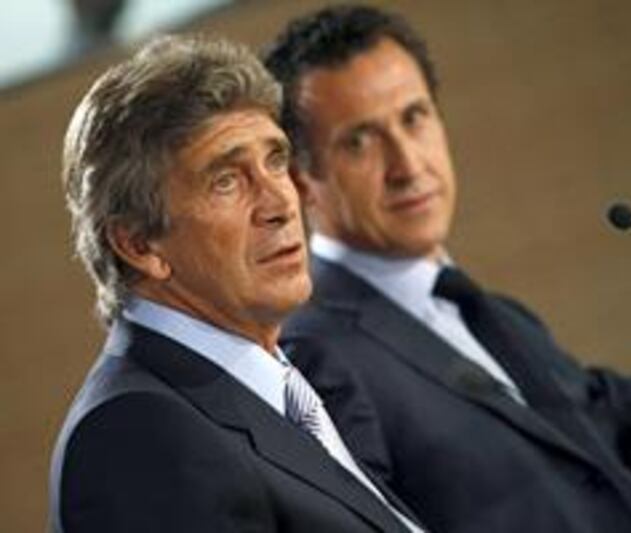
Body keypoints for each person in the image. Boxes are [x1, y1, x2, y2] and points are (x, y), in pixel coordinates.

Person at [264, 5, 631, 532]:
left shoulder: (493, 315)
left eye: (414, 117)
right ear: (300, 178)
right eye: (360, 141)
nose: (408, 165)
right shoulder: (316, 356)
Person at [48, 33, 425, 533]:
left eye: (274, 160)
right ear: (140, 244)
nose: (281, 203)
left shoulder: (286, 388)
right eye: (226, 180)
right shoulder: (137, 437)